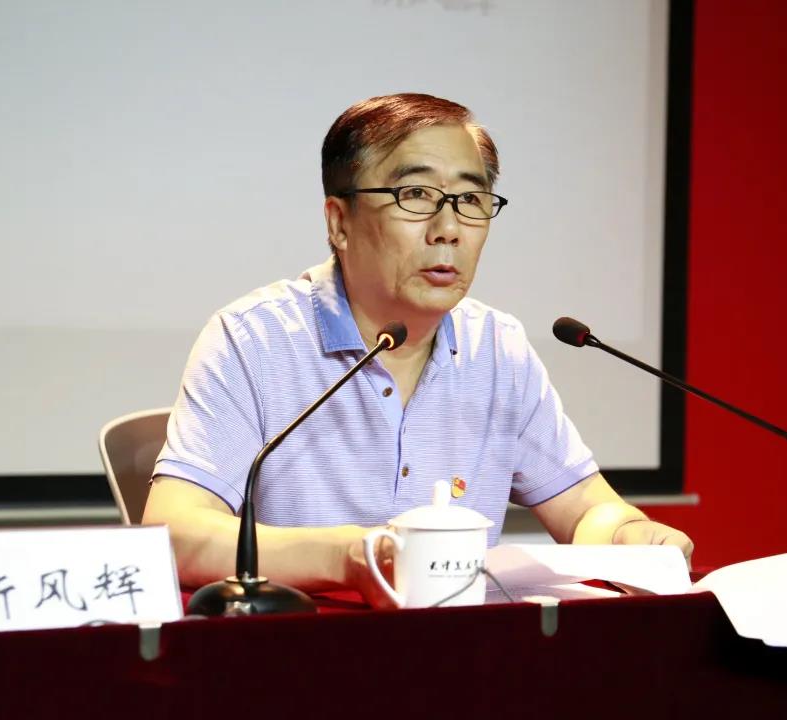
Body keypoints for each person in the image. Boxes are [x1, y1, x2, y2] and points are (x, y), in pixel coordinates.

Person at [143, 93, 692, 607]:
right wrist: (354, 558)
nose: (448, 229)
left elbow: (585, 507)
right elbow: (175, 533)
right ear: (339, 222)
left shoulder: (496, 348)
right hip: (304, 656)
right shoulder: (255, 339)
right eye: (416, 196)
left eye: (470, 200)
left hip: (466, 659)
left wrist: (629, 534)